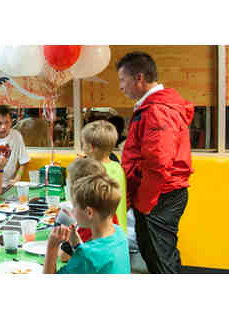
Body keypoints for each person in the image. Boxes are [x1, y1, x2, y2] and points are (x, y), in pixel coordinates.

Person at [118, 51, 194, 274]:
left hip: (159, 196)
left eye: (122, 80)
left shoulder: (157, 109)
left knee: (160, 261)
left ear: (139, 78)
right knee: (159, 254)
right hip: (159, 194)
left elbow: (158, 162)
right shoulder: (153, 106)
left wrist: (144, 204)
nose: (121, 87)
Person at [43, 174, 130, 274]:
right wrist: (76, 243)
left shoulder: (87, 256)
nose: (72, 211)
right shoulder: (119, 233)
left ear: (89, 212)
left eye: (74, 206)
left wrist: (52, 246)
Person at [81, 120, 127, 233]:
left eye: (83, 144)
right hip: (119, 232)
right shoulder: (117, 167)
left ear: (90, 147)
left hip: (102, 234)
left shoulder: (94, 172)